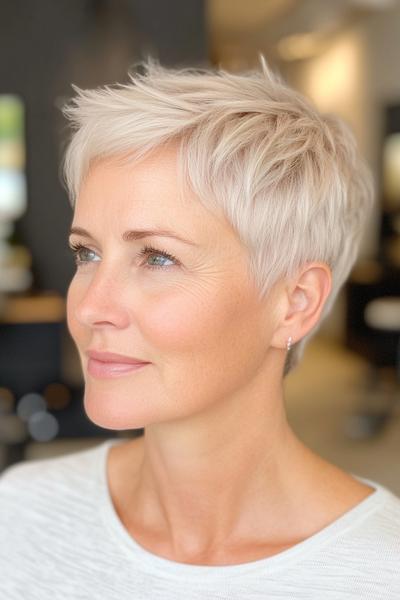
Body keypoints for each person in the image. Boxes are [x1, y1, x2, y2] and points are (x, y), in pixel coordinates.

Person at [1, 56, 399, 599]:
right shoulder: (20, 514)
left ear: (295, 302)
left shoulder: (381, 572)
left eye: (157, 258)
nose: (92, 306)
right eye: (86, 252)